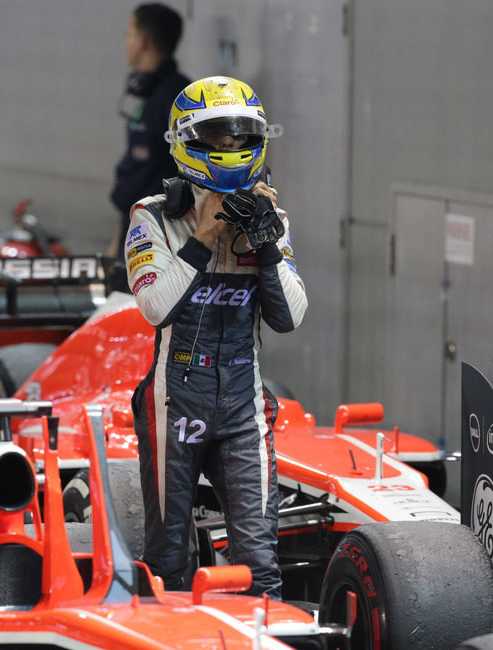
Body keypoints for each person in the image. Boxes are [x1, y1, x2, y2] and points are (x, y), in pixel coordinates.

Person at [125, 75, 307, 598]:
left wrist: (268, 248)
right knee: (167, 564)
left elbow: (290, 318)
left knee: (259, 566)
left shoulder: (272, 218)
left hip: (243, 410)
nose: (230, 149)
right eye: (218, 139)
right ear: (188, 141)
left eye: (240, 138)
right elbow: (156, 308)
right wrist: (204, 236)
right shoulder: (152, 216)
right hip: (173, 405)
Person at [109, 3, 190, 271]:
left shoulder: (177, 97)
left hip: (160, 233)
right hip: (131, 221)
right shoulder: (140, 87)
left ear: (142, 41)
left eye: (128, 35)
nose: (125, 43)